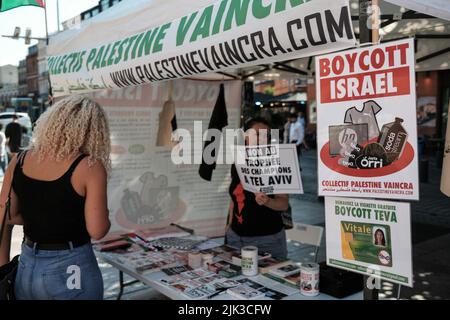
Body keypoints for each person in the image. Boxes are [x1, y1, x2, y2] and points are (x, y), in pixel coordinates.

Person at [0, 95, 111, 300]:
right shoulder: (89, 166)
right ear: (95, 132)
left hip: (26, 265)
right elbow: (97, 230)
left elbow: (7, 215)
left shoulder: (19, 159)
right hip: (71, 267)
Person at [226, 117, 289, 259]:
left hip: (266, 240)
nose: (261, 139)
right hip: (235, 237)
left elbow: (283, 203)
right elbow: (234, 197)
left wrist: (268, 202)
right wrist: (229, 225)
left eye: (265, 135)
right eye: (256, 134)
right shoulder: (238, 161)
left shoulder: (276, 163)